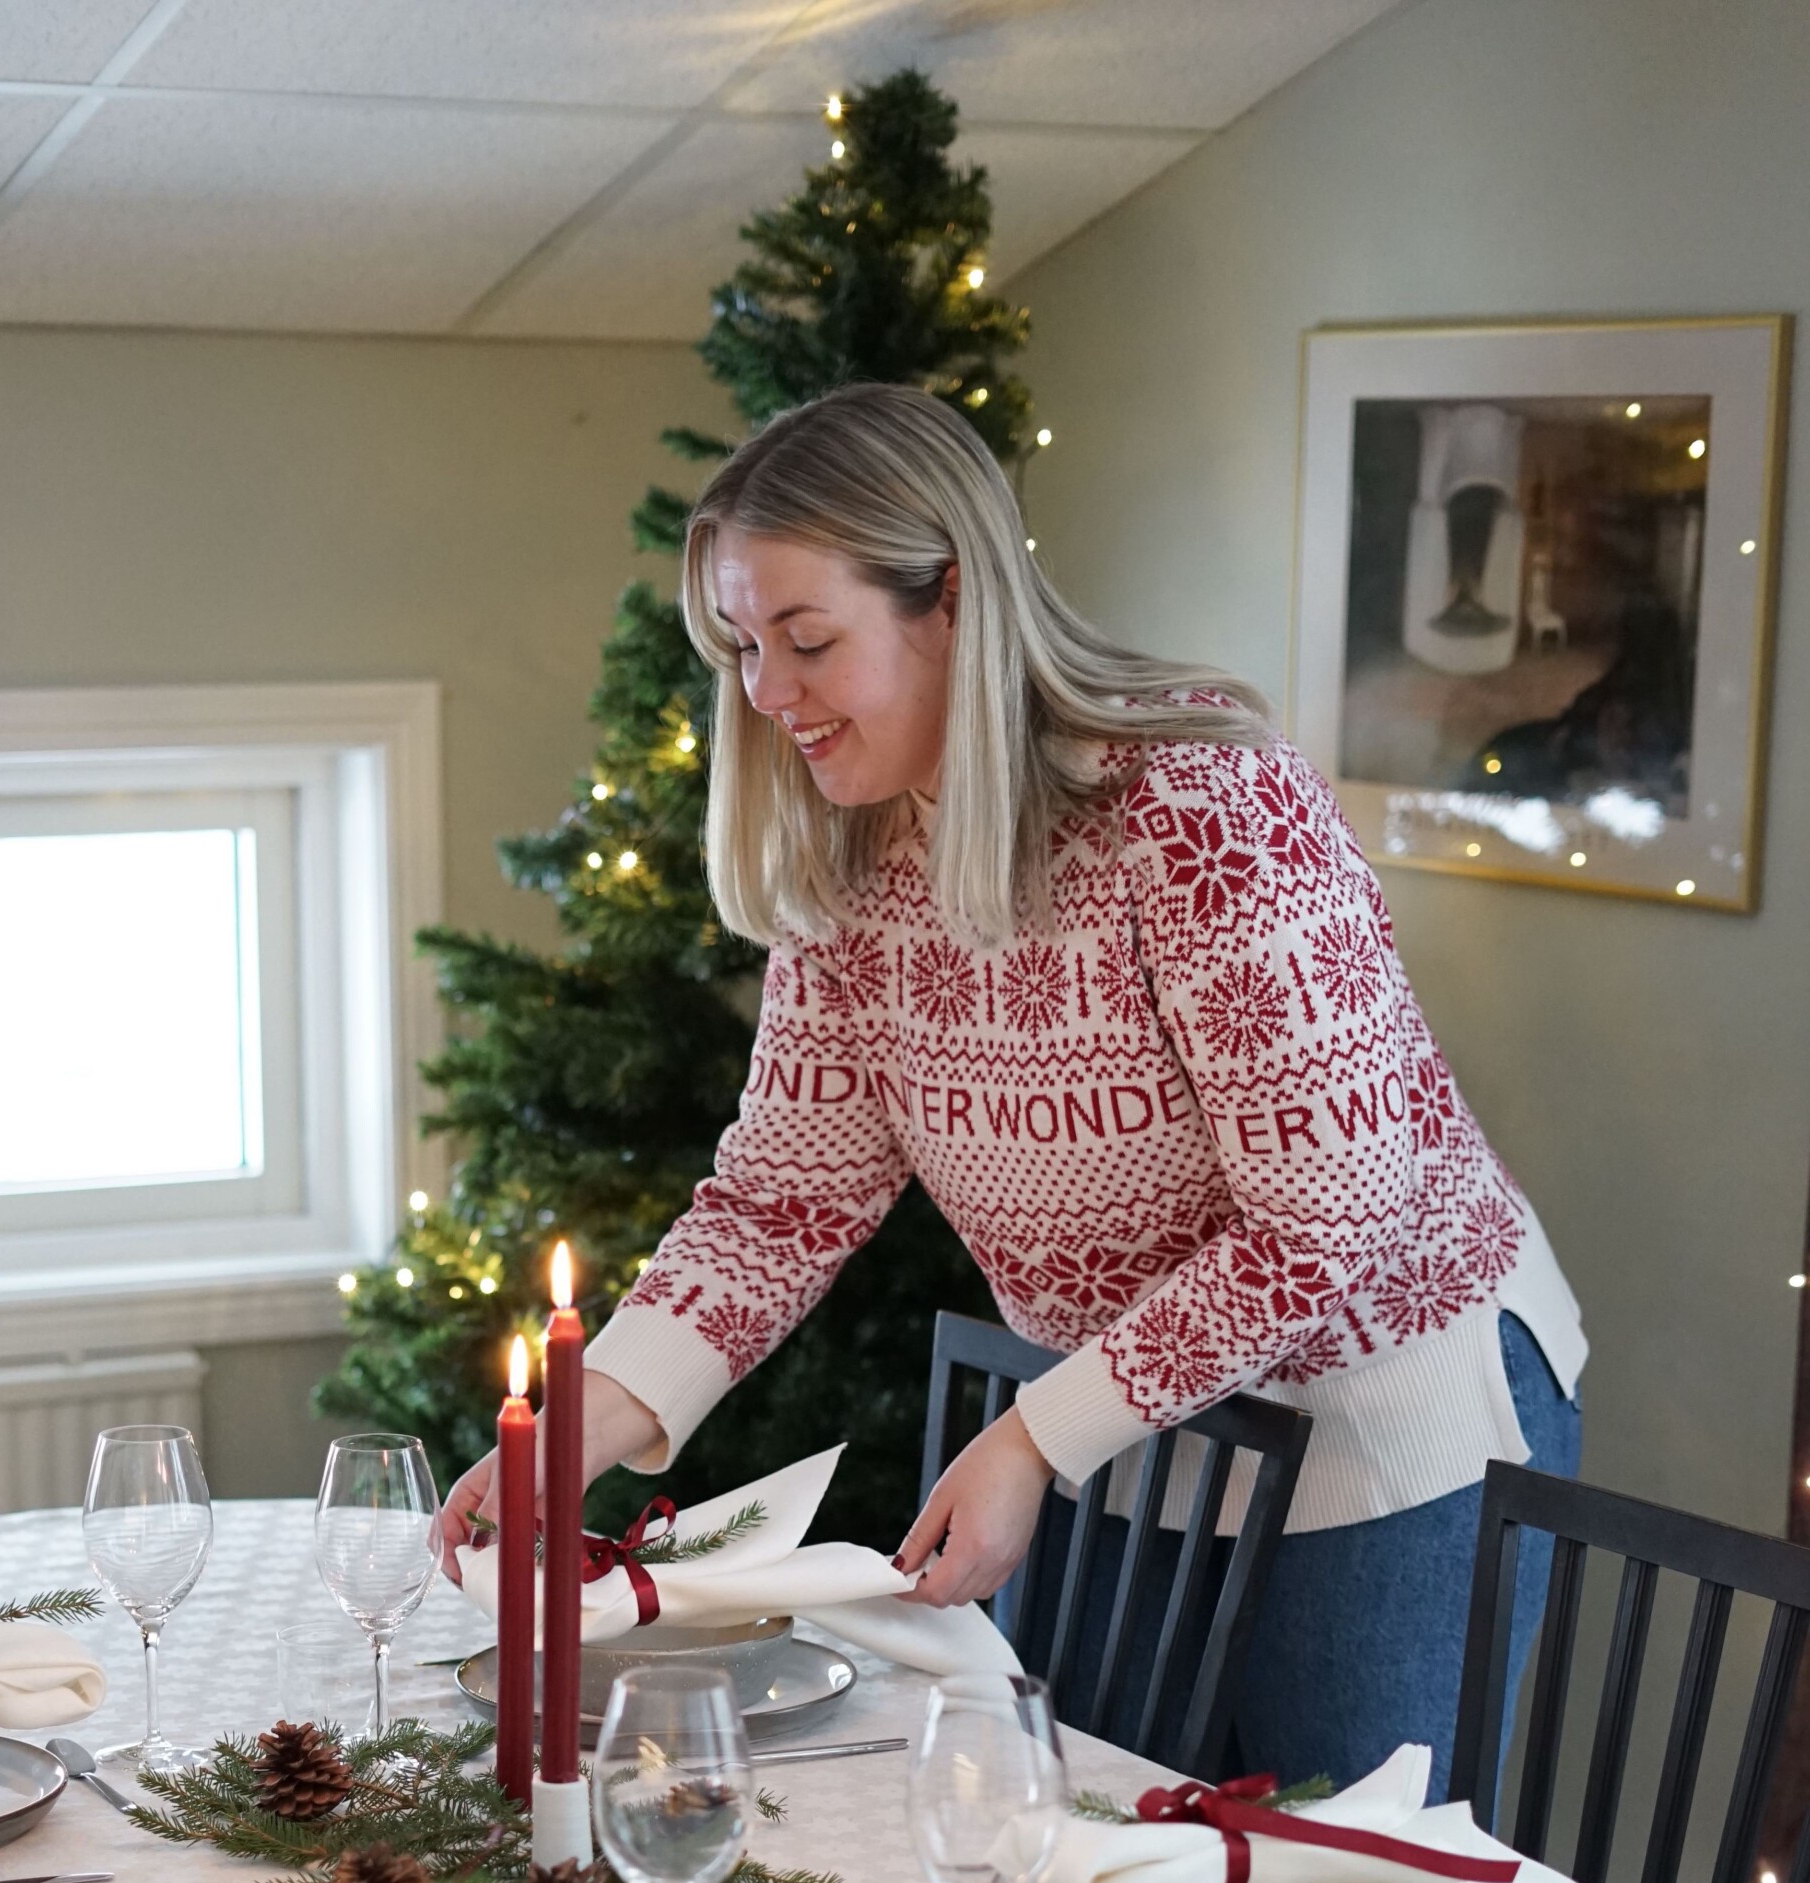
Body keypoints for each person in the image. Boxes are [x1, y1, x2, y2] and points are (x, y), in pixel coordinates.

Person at [442, 382, 1584, 1795]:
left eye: (808, 640)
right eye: (741, 646)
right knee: (1097, 1837)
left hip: (1383, 1415)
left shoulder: (1204, 811)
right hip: (1137, 1428)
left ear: (952, 601)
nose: (767, 693)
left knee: (1344, 1878)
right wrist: (583, 1424)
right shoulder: (851, 860)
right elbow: (782, 1202)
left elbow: (1329, 1215)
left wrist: (1041, 1436)